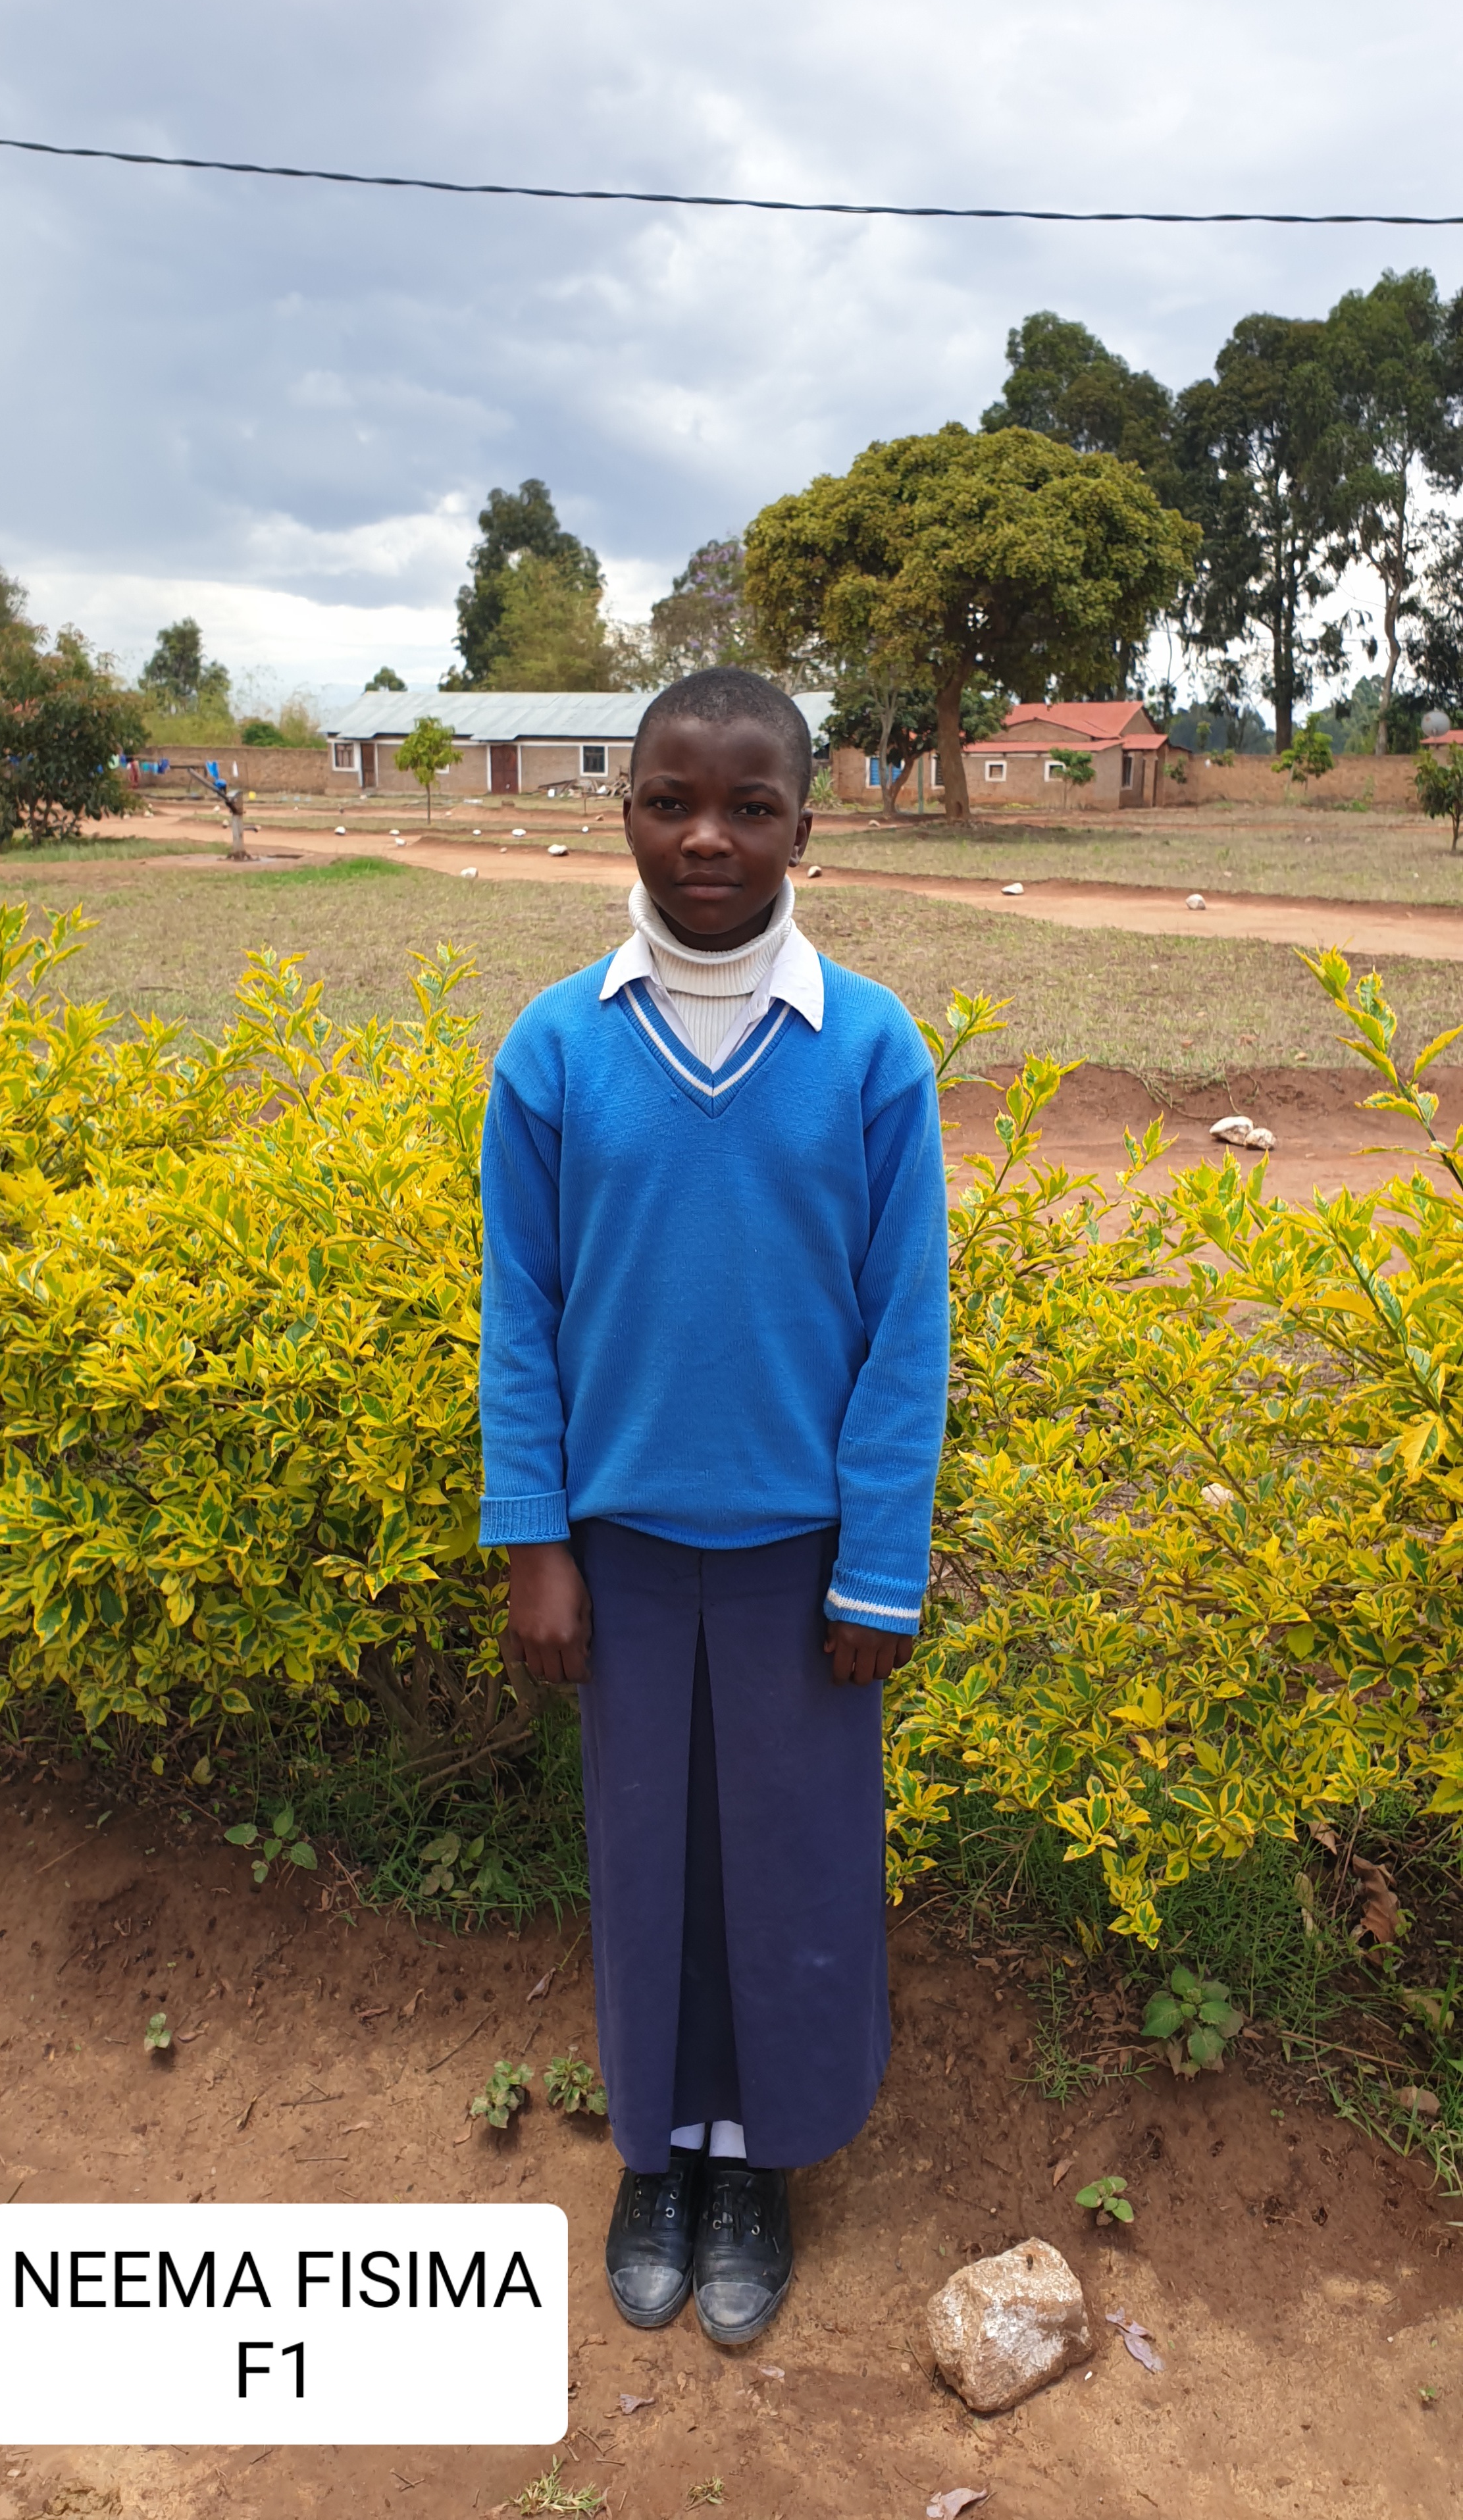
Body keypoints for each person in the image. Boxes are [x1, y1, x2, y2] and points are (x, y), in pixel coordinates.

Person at [478, 667, 949, 2346]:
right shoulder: (557, 1049)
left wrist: (877, 1570)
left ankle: (759, 2159)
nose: (706, 837)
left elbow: (905, 1334)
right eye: (672, 800)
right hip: (617, 1559)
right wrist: (537, 1541)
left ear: (805, 830)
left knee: (795, 1868)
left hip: (798, 1565)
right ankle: (661, 2152)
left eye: (750, 808)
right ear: (623, 811)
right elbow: (520, 1314)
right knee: (651, 1865)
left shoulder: (869, 1051)